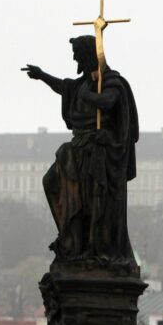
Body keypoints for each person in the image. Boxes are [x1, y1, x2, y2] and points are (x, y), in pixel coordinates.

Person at [21, 35, 139, 265]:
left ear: (87, 55)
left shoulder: (112, 81)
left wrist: (89, 94)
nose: (74, 58)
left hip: (99, 153)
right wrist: (41, 75)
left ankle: (94, 247)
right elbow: (63, 87)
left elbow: (107, 102)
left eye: (77, 54)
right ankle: (71, 238)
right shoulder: (82, 84)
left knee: (95, 203)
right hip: (77, 148)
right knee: (50, 182)